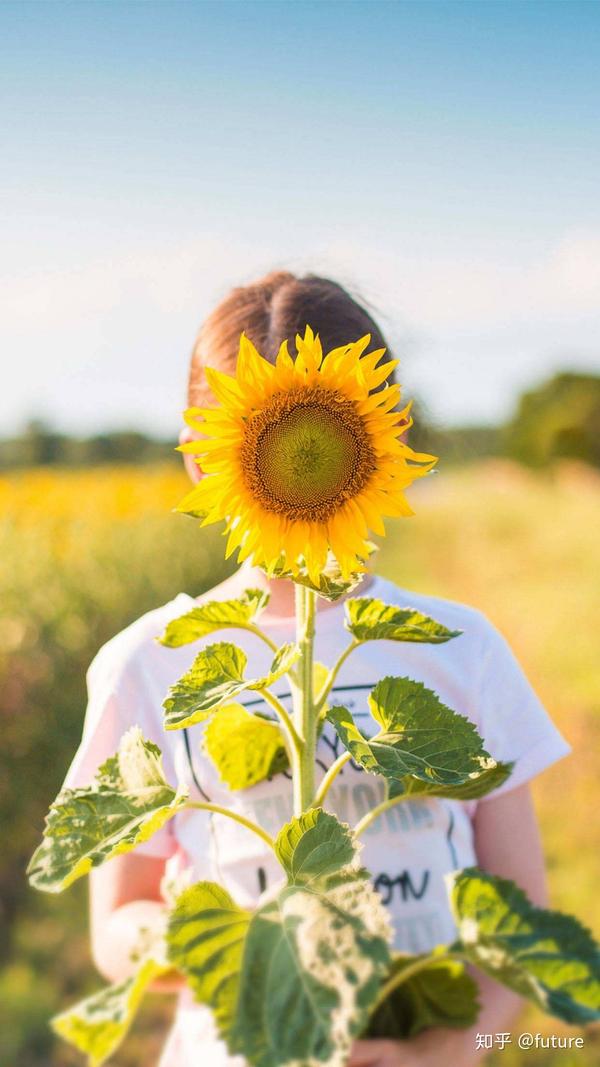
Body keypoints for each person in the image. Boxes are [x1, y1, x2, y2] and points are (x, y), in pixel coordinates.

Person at [64, 271, 571, 1067]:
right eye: (264, 437)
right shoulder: (151, 663)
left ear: (388, 437)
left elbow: (523, 922)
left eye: (326, 433)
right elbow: (114, 927)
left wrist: (443, 1051)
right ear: (203, 459)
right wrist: (218, 939)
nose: (304, 458)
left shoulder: (461, 648)